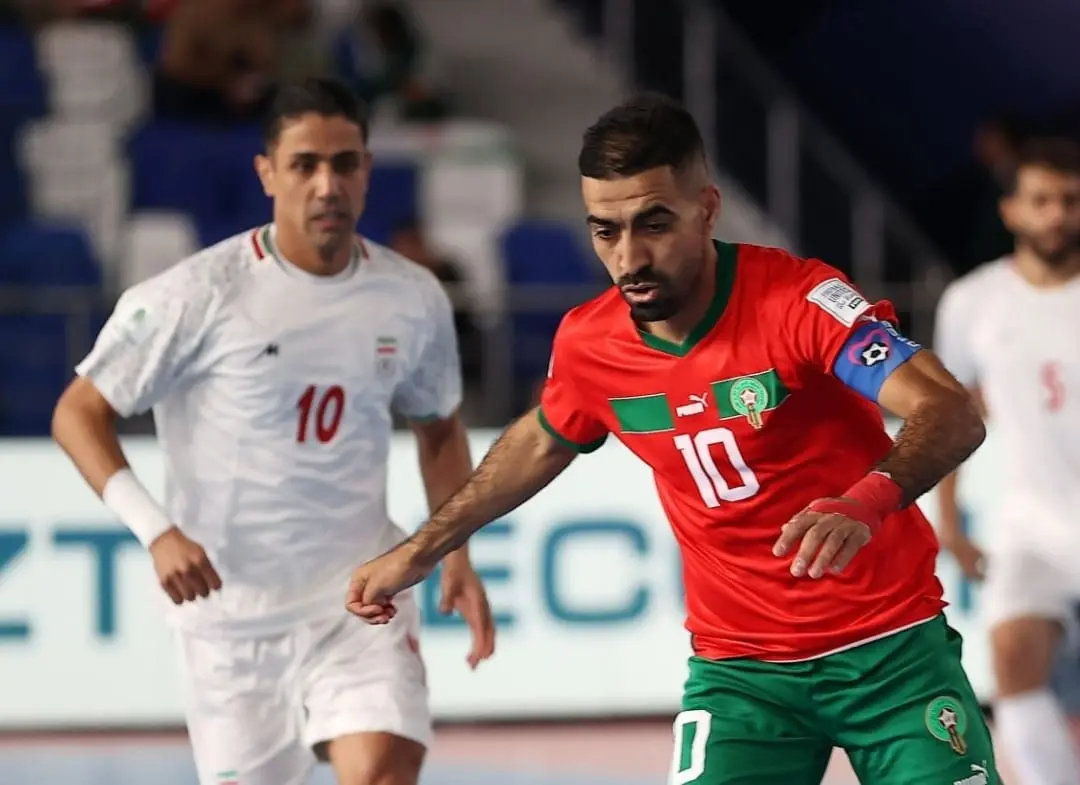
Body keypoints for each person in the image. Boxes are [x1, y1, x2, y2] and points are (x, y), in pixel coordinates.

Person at [345, 93, 1000, 784]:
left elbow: (950, 409)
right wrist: (420, 549)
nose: (629, 257)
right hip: (740, 677)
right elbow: (541, 440)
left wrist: (868, 499)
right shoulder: (588, 342)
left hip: (890, 654)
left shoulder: (800, 301)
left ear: (707, 209)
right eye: (605, 231)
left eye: (653, 223)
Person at [51, 76, 496, 785]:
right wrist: (156, 530)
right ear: (267, 173)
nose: (327, 184)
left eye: (345, 163)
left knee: (383, 766)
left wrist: (457, 552)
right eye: (305, 164)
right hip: (230, 620)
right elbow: (77, 412)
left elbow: (438, 428)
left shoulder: (412, 297)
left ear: (368, 171)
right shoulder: (195, 294)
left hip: (360, 595)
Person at [934, 137, 1080, 785]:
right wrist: (951, 521)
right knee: (1012, 658)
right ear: (1012, 210)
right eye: (1041, 200)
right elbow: (949, 413)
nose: (1056, 215)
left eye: (1070, 201)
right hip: (1032, 525)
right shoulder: (973, 302)